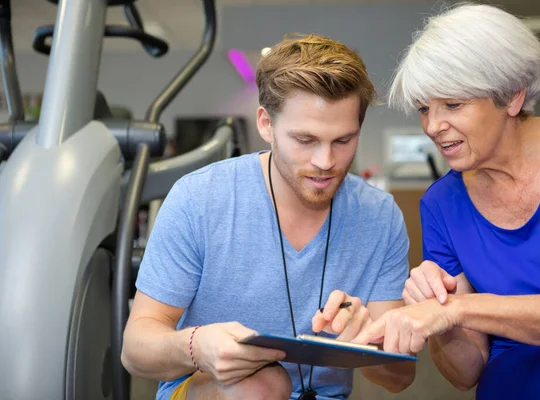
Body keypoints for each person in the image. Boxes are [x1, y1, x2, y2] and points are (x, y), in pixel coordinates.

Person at [121, 33, 415, 400]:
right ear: (265, 124)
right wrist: (196, 347)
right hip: (215, 391)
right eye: (305, 140)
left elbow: (400, 376)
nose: (326, 162)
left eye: (343, 141)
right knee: (261, 385)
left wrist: (367, 340)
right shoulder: (199, 199)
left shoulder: (379, 216)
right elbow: (135, 350)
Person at [352, 3, 540, 399]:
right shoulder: (441, 204)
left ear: (512, 98)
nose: (433, 127)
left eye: (453, 104)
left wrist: (458, 309)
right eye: (423, 109)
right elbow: (466, 372)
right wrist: (441, 318)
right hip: (511, 377)